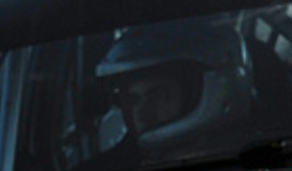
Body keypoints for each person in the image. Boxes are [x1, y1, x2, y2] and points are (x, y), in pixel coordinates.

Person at [93, 18, 250, 160]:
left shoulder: (263, 155)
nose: (143, 114)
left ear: (215, 88)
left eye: (159, 96)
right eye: (133, 100)